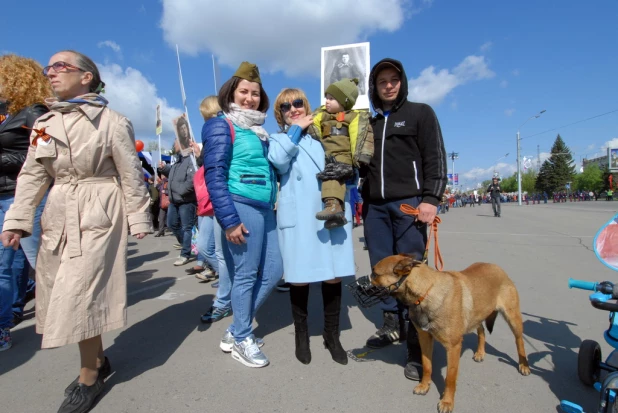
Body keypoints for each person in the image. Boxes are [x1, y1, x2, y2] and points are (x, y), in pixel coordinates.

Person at [1, 50, 152, 413]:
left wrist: (139, 218)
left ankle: (88, 377)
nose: (50, 73)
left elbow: (131, 173)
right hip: (58, 209)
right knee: (63, 287)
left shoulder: (113, 121)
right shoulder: (45, 124)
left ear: (86, 77)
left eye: (60, 66)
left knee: (80, 292)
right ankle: (99, 359)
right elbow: (33, 174)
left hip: (100, 207)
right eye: (47, 67)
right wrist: (18, 221)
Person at [360, 58, 447, 381]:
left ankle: (416, 346)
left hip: (409, 205)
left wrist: (430, 199)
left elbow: (434, 156)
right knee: (382, 271)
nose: (388, 85)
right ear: (375, 86)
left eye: (393, 79)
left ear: (401, 82)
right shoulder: (369, 123)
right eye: (382, 81)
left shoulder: (420, 113)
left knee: (411, 275)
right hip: (375, 209)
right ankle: (391, 325)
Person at [201, 62, 283, 368]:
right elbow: (214, 175)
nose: (249, 98)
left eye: (255, 93)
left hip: (266, 207)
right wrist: (229, 219)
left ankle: (236, 329)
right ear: (231, 93)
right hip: (241, 204)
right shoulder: (221, 124)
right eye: (244, 92)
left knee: (274, 270)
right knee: (246, 275)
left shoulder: (259, 130)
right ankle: (242, 337)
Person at [268, 88, 354, 365]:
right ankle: (301, 336)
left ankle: (332, 335)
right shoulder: (278, 138)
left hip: (330, 211)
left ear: (306, 105)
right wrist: (295, 130)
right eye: (285, 107)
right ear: (279, 114)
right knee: (299, 277)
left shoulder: (326, 133)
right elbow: (279, 162)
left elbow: (345, 159)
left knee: (333, 274)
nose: (292, 109)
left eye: (297, 103)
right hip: (299, 216)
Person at [0, 54, 52, 349]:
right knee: (7, 265)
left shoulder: (34, 114)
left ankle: (62, 315)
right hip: (7, 197)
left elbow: (42, 157)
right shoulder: (10, 115)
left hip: (26, 197)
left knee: (41, 261)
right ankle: (6, 321)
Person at [310, 78, 373, 229]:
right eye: (327, 97)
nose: (327, 101)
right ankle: (339, 215)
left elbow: (365, 136)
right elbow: (311, 126)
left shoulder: (354, 116)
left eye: (332, 98)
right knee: (335, 179)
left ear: (344, 101)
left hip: (343, 154)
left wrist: (363, 157)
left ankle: (332, 204)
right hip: (325, 154)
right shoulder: (321, 115)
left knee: (332, 178)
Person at [188, 96, 221, 282]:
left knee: (217, 248)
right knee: (205, 246)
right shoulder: (209, 135)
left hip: (217, 197)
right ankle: (225, 278)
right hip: (206, 198)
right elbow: (206, 165)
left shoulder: (221, 132)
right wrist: (200, 154)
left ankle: (226, 281)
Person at [157, 139, 197, 266]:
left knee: (187, 227)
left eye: (175, 142)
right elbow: (173, 174)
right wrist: (164, 169)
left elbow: (192, 180)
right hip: (174, 200)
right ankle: (187, 245)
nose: (173, 145)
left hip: (186, 200)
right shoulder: (178, 160)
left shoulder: (191, 159)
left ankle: (185, 253)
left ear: (181, 144)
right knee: (172, 224)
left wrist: (179, 191)